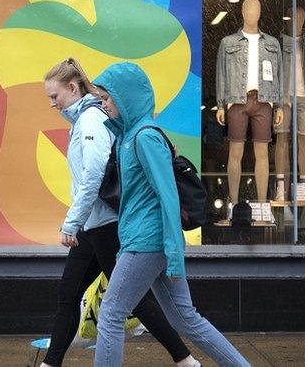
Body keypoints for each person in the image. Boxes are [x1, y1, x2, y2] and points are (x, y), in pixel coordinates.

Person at [40, 58, 198, 367]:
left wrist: (71, 223)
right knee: (69, 294)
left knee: (131, 303)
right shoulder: (85, 120)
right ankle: (50, 362)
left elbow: (93, 176)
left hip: (105, 224)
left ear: (72, 88)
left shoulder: (90, 121)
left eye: (54, 96)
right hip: (94, 225)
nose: (51, 104)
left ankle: (185, 359)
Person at [92, 62, 250, 367]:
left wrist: (175, 253)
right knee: (186, 320)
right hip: (146, 241)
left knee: (111, 313)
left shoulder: (144, 138)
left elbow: (167, 196)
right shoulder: (128, 136)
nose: (103, 103)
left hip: (147, 242)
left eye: (108, 98)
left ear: (126, 99)